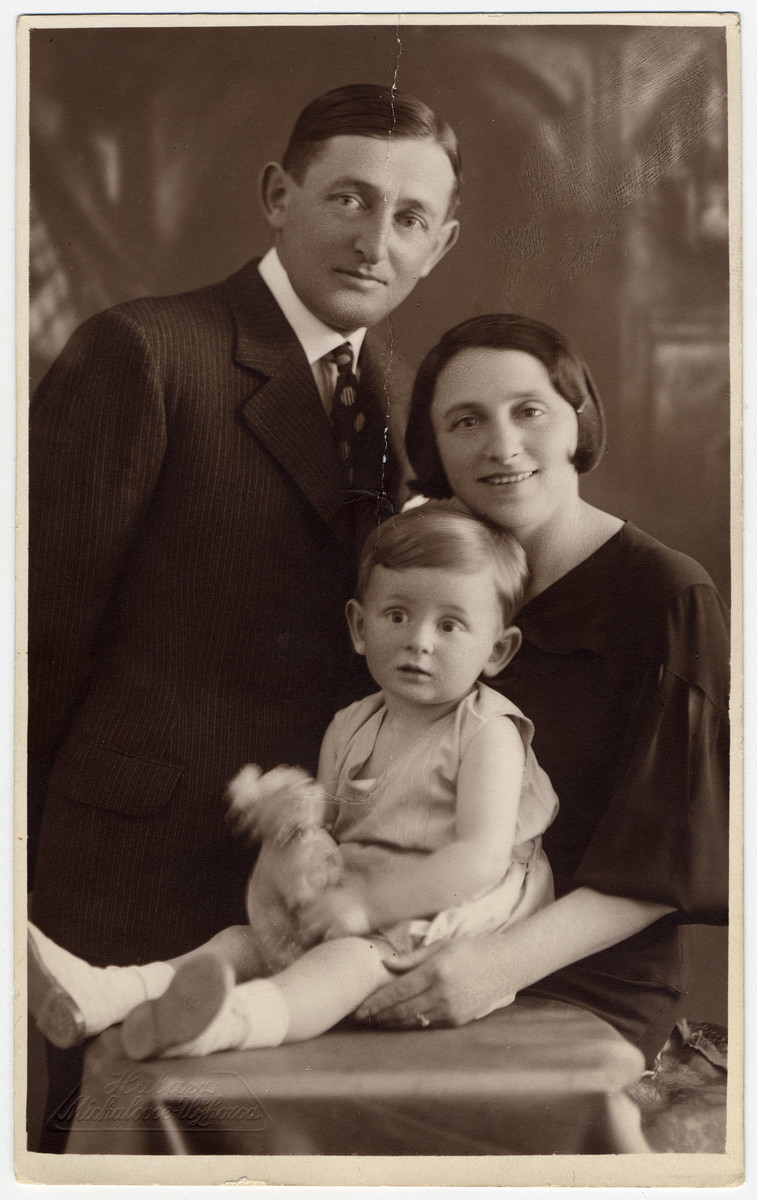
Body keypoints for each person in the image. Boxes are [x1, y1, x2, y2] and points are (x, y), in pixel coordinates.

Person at [27, 81, 460, 1149]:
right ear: (278, 194)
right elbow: (31, 639)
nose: (374, 241)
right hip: (123, 873)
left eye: (408, 219)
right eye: (347, 200)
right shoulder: (146, 353)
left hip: (306, 882)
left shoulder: (401, 400)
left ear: (440, 245)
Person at [28, 503, 559, 1059]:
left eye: (449, 625)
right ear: (359, 626)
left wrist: (368, 906)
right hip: (356, 902)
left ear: (497, 650)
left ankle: (221, 1027)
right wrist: (285, 817)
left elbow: (479, 859)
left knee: (343, 964)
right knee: (240, 943)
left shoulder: (486, 733)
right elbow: (328, 832)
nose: (419, 641)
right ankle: (108, 993)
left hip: (443, 918)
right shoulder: (350, 725)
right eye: (397, 615)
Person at [349, 313, 729, 1065]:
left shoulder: (665, 594)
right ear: (434, 452)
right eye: (466, 422)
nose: (501, 446)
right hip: (417, 934)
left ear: (576, 421)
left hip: (578, 979)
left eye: (529, 411)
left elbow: (667, 856)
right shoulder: (426, 584)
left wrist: (497, 965)